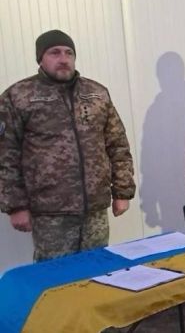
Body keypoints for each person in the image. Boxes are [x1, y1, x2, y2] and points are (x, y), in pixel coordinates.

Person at [0, 29, 135, 261]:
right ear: (40, 58)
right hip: (51, 213)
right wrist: (15, 206)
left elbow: (117, 145)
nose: (63, 59)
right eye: (54, 52)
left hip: (95, 210)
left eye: (68, 53)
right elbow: (6, 155)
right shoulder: (18, 96)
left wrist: (122, 192)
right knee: (55, 279)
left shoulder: (96, 93)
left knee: (97, 272)